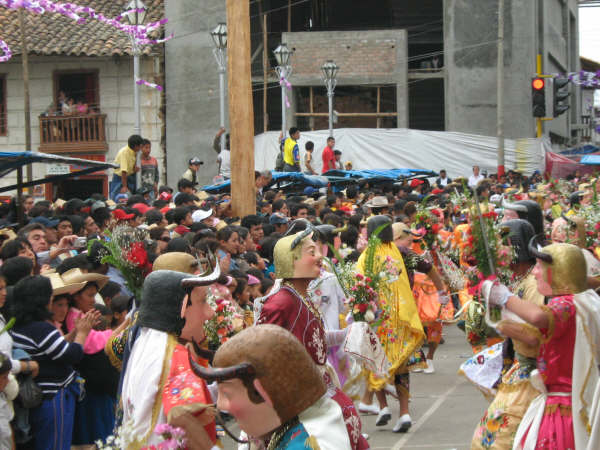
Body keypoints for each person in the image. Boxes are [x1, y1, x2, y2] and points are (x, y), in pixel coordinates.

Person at [256, 228, 368, 450]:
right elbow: (262, 353)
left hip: (320, 393)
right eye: (311, 252)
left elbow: (313, 340)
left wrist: (349, 334)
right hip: (301, 404)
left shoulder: (300, 296)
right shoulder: (281, 302)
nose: (319, 257)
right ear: (291, 261)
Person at [482, 241, 600, 450]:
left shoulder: (566, 305)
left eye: (539, 266)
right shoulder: (583, 300)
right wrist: (499, 316)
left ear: (558, 271)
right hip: (558, 401)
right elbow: (533, 335)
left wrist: (505, 298)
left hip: (566, 408)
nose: (535, 272)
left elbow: (537, 317)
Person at [189, 324, 352, 449]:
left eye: (227, 394)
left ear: (262, 392)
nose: (221, 405)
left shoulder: (310, 442)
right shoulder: (292, 425)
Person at [119, 265, 220, 448]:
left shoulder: (146, 346)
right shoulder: (176, 355)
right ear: (182, 308)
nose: (210, 313)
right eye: (203, 301)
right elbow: (181, 415)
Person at [10, 275, 97, 450]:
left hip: (40, 397)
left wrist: (73, 333)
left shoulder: (21, 325)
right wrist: (82, 334)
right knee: (55, 444)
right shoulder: (41, 328)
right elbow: (71, 355)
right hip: (53, 398)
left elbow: (52, 348)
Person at [357, 216, 424, 433]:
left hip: (378, 321)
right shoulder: (398, 252)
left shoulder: (367, 256)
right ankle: (404, 413)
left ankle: (384, 407)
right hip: (400, 320)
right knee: (401, 368)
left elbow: (359, 287)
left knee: (374, 365)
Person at [110, 134, 144, 200]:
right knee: (118, 198)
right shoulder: (124, 152)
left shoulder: (135, 152)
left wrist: (134, 169)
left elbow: (130, 165)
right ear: (135, 146)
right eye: (140, 145)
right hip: (120, 178)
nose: (141, 147)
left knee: (130, 197)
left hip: (129, 177)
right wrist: (124, 186)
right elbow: (124, 171)